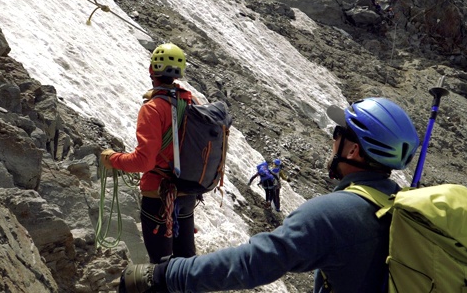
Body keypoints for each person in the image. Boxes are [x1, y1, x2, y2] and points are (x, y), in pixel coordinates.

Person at [118, 97, 421, 293]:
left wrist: (166, 274)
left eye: (337, 135)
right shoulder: (405, 206)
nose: (333, 142)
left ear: (353, 150)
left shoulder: (336, 214)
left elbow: (254, 262)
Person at [100, 43, 199, 264]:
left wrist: (111, 159)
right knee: (186, 263)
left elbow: (143, 161)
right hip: (187, 193)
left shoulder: (153, 108)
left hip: (159, 197)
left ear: (152, 69)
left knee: (162, 264)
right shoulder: (190, 102)